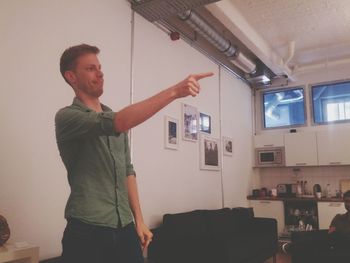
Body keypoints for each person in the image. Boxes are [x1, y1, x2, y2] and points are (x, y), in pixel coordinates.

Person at [55, 43, 213, 263]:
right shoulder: (67, 117)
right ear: (71, 77)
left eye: (100, 67)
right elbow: (119, 122)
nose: (100, 73)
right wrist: (175, 91)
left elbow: (127, 171)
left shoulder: (114, 117)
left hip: (124, 225)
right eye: (91, 68)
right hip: (87, 229)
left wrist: (139, 220)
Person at [282, 190, 350, 255]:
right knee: (318, 235)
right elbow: (329, 234)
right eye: (347, 201)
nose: (349, 204)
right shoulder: (338, 218)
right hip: (337, 246)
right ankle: (296, 246)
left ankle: (294, 247)